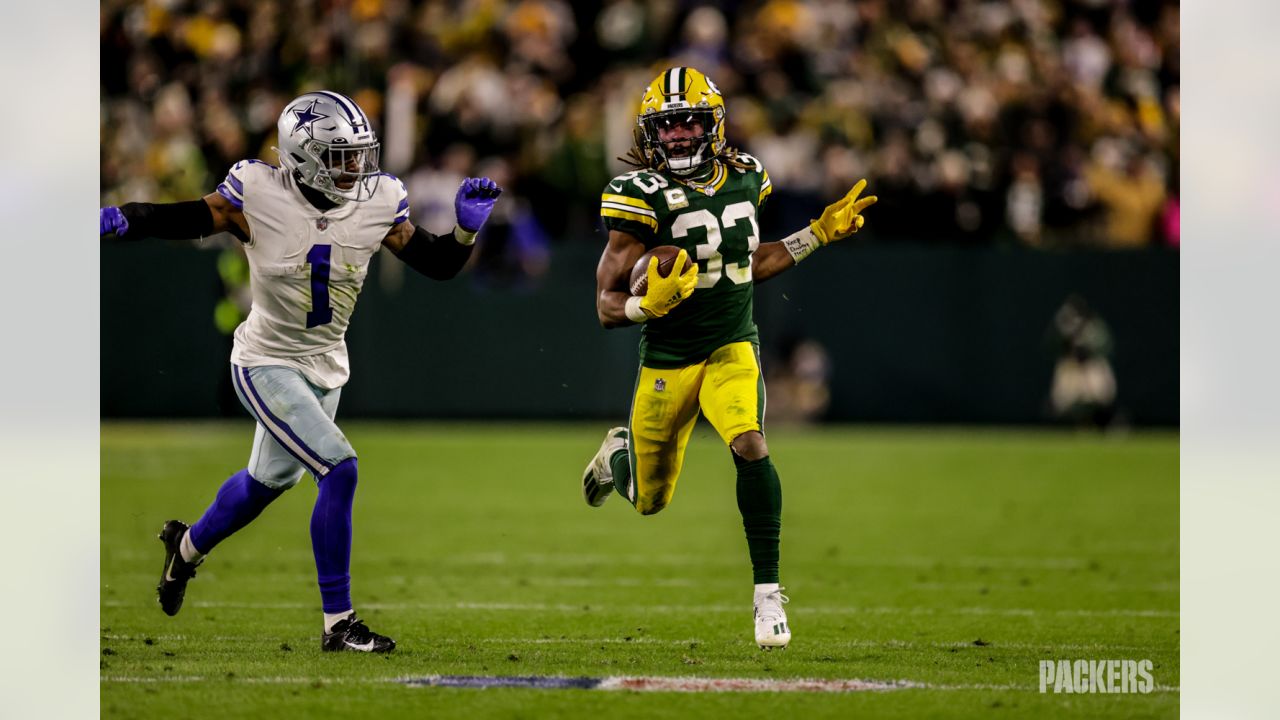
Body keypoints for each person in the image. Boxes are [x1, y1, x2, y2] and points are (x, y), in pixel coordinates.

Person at [99, 90, 502, 653]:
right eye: (341, 156)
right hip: (265, 360)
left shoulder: (380, 199)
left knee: (265, 485)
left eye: (361, 154)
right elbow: (195, 216)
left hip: (325, 364)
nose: (357, 167)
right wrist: (127, 218)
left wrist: (463, 234)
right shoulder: (258, 190)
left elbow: (435, 265)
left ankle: (185, 548)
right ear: (302, 155)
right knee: (340, 469)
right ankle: (339, 623)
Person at [580, 67, 876, 650]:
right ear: (650, 133)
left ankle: (768, 598)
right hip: (667, 360)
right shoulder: (635, 195)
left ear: (714, 123)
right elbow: (605, 306)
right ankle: (619, 455)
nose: (681, 135)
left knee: (750, 442)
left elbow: (748, 263)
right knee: (649, 500)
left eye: (690, 121)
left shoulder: (747, 176)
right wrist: (645, 307)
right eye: (667, 126)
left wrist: (816, 232)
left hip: (731, 347)